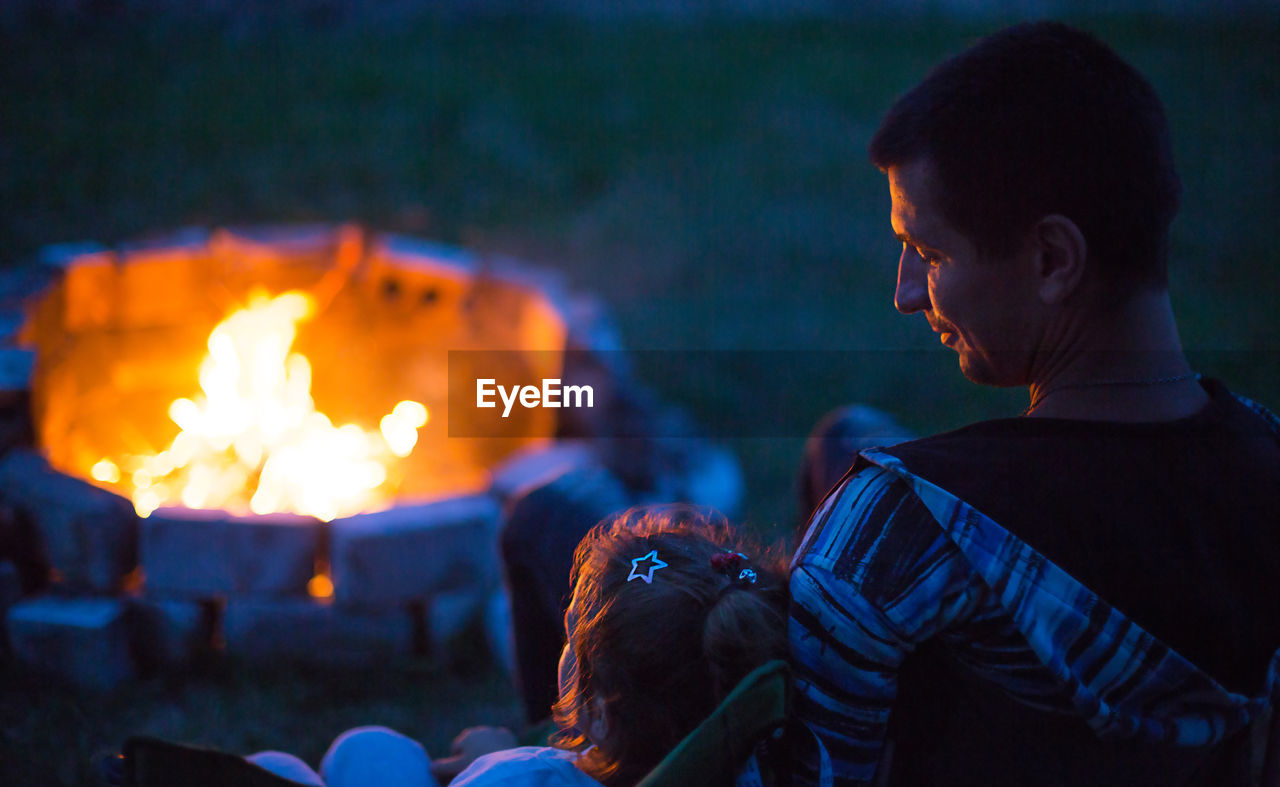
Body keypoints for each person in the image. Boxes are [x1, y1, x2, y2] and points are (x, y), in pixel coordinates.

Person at [788, 21, 1280, 786]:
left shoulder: (899, 523)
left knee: (559, 521)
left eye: (930, 252)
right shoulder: (1268, 461)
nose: (905, 293)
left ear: (1052, 259)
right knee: (843, 436)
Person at [250, 505, 788, 787]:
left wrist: (489, 764)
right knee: (369, 749)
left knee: (304, 764)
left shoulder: (521, 777)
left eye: (572, 635)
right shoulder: (728, 760)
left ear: (600, 715)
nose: (563, 645)